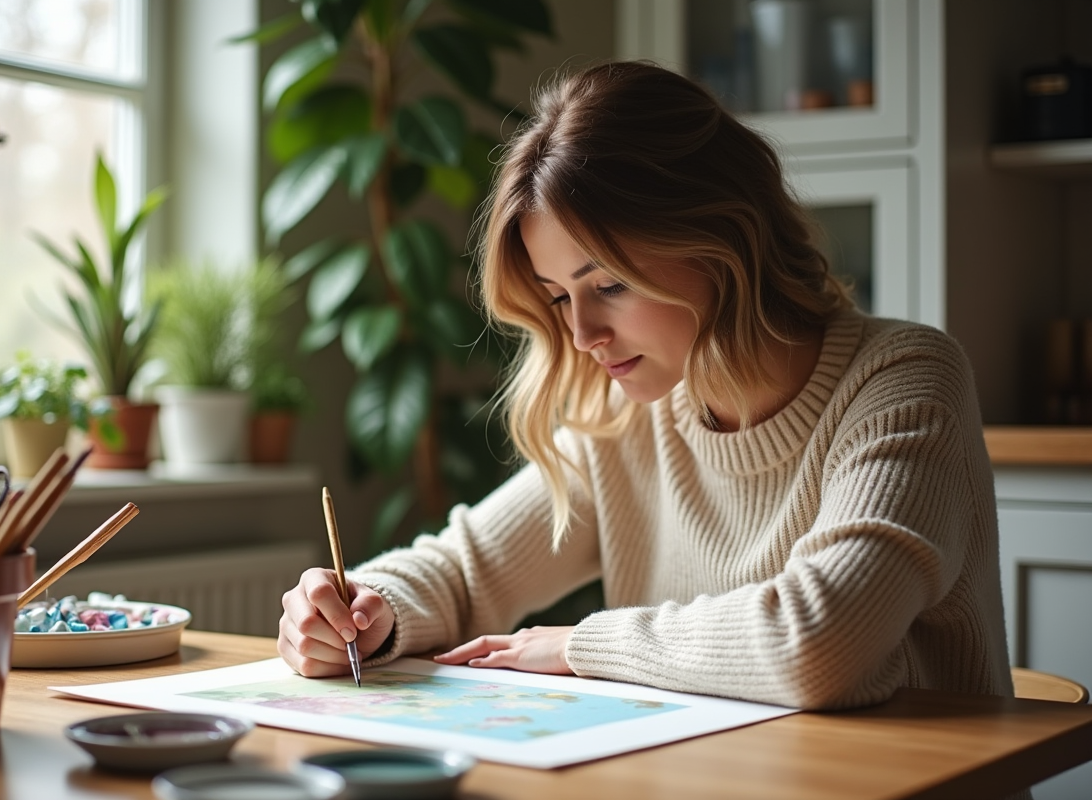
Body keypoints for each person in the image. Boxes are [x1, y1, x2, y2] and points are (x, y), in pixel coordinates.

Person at [278, 60, 1013, 710]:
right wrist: (362, 611)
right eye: (560, 295)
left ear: (725, 241)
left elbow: (819, 640)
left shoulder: (904, 380)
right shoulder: (633, 412)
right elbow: (465, 573)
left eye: (610, 285)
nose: (582, 335)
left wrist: (580, 647)